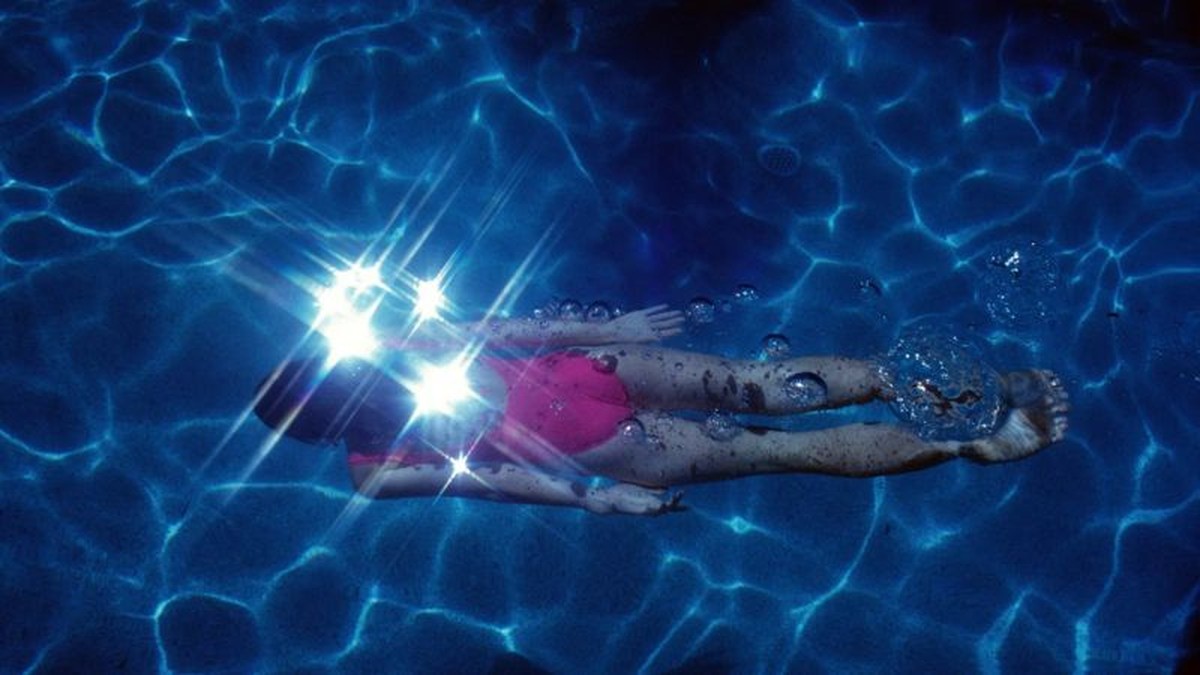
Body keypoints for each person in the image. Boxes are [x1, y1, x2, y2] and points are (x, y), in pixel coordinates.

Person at [253, 305, 1069, 516]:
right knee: (770, 427)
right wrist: (596, 495)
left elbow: (498, 334)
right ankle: (970, 427)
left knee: (762, 401)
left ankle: (962, 407)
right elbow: (490, 477)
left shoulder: (386, 369)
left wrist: (602, 328)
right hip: (597, 421)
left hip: (592, 388)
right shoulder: (375, 462)